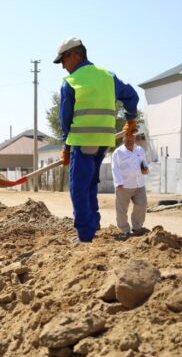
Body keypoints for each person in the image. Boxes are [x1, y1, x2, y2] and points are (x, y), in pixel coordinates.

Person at [53, 37, 140, 243]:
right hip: (103, 141)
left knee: (79, 187)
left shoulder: (72, 82)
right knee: (90, 183)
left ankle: (85, 234)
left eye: (63, 60)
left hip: (83, 141)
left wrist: (67, 146)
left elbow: (66, 119)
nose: (63, 67)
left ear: (75, 54)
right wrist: (131, 118)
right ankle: (93, 224)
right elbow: (131, 96)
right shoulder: (107, 76)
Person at [111, 132, 149, 239]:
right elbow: (115, 168)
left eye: (131, 137)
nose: (129, 139)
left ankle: (137, 227)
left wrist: (145, 168)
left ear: (134, 138)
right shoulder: (118, 152)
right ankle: (124, 230)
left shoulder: (140, 150)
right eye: (127, 137)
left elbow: (144, 163)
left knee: (142, 204)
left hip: (139, 184)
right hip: (124, 185)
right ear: (123, 138)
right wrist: (118, 182)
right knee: (122, 209)